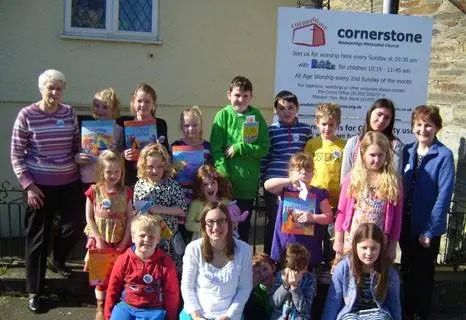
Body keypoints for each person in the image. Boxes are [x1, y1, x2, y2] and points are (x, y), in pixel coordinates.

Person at [10, 69, 85, 313]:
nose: (54, 92)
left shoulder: (70, 113)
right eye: (50, 87)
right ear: (41, 89)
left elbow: (76, 144)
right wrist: (28, 185)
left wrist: (80, 155)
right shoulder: (27, 116)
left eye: (59, 88)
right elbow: (16, 154)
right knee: (37, 239)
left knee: (77, 223)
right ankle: (34, 291)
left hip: (69, 181)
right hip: (39, 187)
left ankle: (58, 257)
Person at [400, 105, 455, 320]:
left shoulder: (443, 155)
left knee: (423, 276)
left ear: (437, 128)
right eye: (419, 124)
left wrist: (430, 231)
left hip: (426, 228)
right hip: (406, 223)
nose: (423, 129)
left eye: (428, 125)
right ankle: (407, 312)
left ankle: (421, 314)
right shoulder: (407, 152)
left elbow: (443, 195)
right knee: (407, 272)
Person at [210, 75, 270, 242]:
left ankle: (241, 265)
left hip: (247, 184)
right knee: (221, 227)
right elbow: (216, 149)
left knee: (242, 229)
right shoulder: (222, 116)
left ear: (251, 97)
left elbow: (264, 148)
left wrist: (241, 147)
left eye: (245, 96)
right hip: (225, 185)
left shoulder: (256, 116)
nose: (241, 99)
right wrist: (223, 176)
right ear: (228, 94)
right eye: (237, 95)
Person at [333, 131, 403, 262]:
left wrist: (393, 245)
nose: (376, 160)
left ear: (387, 156)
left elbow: (397, 218)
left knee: (375, 277)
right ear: (363, 153)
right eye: (372, 155)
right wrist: (338, 241)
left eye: (381, 155)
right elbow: (341, 212)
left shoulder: (393, 181)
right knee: (351, 276)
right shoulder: (353, 178)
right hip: (353, 239)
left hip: (379, 242)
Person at [180, 201, 253, 320]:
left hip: (230, 315)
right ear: (203, 225)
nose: (216, 227)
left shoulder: (243, 249)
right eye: (210, 222)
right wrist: (196, 315)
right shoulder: (193, 249)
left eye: (221, 221)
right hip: (197, 313)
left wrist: (228, 316)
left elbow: (244, 288)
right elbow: (187, 287)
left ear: (228, 223)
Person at [83, 149, 134, 320]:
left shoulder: (127, 192)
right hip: (100, 241)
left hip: (120, 241)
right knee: (101, 277)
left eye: (116, 172)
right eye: (108, 172)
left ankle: (116, 305)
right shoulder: (94, 191)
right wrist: (98, 239)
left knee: (119, 275)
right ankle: (100, 307)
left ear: (122, 171)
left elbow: (129, 219)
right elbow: (89, 218)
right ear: (101, 171)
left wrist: (125, 242)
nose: (113, 175)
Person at [261, 90, 312, 254]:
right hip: (275, 182)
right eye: (282, 108)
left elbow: (309, 157)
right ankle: (272, 257)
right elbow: (265, 158)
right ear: (276, 111)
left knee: (295, 222)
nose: (286, 112)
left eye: (290, 107)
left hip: (297, 184)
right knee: (275, 220)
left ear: (297, 108)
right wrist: (263, 180)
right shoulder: (270, 131)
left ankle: (294, 259)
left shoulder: (306, 130)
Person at [105, 214, 180, 320]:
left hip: (153, 309)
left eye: (151, 236)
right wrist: (108, 315)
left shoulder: (165, 263)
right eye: (142, 235)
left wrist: (171, 317)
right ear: (133, 237)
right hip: (126, 307)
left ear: (158, 239)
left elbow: (171, 292)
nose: (146, 239)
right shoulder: (123, 259)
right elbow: (113, 287)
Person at [265, 152, 333, 269]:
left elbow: (329, 216)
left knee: (307, 279)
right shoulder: (285, 190)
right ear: (291, 172)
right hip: (286, 246)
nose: (303, 173)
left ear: (313, 173)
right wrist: (291, 180)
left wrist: (313, 217)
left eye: (307, 170)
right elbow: (267, 185)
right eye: (299, 170)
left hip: (308, 248)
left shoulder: (318, 193)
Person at [322, 223, 401, 320]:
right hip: (351, 312)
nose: (369, 253)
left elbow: (394, 302)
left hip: (378, 312)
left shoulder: (388, 271)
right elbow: (333, 300)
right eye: (364, 248)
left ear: (381, 247)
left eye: (374, 248)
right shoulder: (343, 267)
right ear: (355, 246)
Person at [133, 143, 187, 276]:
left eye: (159, 167)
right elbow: (136, 207)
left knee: (169, 272)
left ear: (165, 166)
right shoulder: (140, 184)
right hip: (148, 238)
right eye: (150, 167)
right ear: (143, 166)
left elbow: (182, 210)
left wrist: (158, 209)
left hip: (168, 238)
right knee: (150, 271)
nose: (155, 171)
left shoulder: (172, 185)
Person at [304, 102, 345, 264]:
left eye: (331, 124)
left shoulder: (343, 145)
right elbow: (305, 169)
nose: (327, 128)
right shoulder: (312, 144)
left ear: (338, 124)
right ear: (317, 123)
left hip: (334, 201)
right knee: (312, 235)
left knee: (331, 238)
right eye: (324, 124)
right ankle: (312, 266)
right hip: (313, 200)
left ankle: (329, 267)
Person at [171, 106, 211, 241]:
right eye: (187, 125)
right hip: (180, 196)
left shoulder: (207, 147)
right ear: (182, 127)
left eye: (195, 125)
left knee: (196, 231)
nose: (191, 129)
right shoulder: (175, 146)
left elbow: (211, 171)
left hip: (199, 196)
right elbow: (168, 172)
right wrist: (174, 169)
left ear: (200, 126)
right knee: (181, 232)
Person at [340, 98, 403, 177]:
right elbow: (345, 178)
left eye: (386, 118)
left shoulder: (394, 146)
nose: (381, 120)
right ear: (370, 113)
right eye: (379, 114)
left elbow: (394, 177)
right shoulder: (354, 142)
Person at [123, 83, 169, 186]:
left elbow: (166, 152)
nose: (143, 105)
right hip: (131, 177)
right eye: (139, 101)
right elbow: (117, 149)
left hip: (154, 176)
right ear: (133, 102)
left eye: (147, 101)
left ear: (153, 104)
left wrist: (159, 148)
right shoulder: (124, 123)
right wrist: (124, 154)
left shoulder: (160, 124)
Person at [78, 88, 124, 189]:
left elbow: (121, 153)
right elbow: (79, 150)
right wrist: (78, 157)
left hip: (110, 178)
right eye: (97, 106)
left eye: (105, 107)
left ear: (114, 109)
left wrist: (116, 154)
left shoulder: (119, 130)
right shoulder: (87, 128)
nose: (100, 110)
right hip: (89, 177)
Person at [185, 164, 232, 241]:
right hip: (201, 241)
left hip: (222, 241)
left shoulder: (226, 202)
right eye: (205, 184)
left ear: (218, 183)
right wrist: (208, 227)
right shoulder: (196, 204)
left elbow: (233, 222)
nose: (210, 187)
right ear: (200, 187)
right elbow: (188, 225)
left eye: (213, 183)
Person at [271, 243, 316, 320]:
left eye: (298, 271)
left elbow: (305, 309)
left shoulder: (310, 279)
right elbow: (274, 303)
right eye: (291, 270)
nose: (294, 275)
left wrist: (295, 287)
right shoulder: (280, 276)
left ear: (305, 268)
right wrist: (285, 286)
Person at [244, 252, 276, 320]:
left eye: (265, 269)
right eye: (258, 272)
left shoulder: (280, 284)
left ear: (273, 268)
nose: (262, 274)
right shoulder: (257, 290)